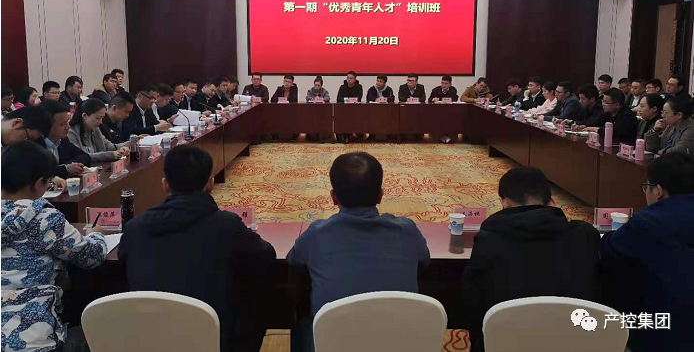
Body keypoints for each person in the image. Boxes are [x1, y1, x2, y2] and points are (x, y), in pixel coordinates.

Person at [119, 145, 276, 352]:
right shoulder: (226, 225)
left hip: (150, 340)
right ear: (210, 184)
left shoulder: (134, 228)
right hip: (211, 340)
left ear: (165, 185)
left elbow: (122, 260)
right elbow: (266, 255)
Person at [288, 152, 430, 350]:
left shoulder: (316, 234)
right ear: (381, 195)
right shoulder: (407, 231)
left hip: (336, 344)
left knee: (299, 315)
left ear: (333, 197)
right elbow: (425, 262)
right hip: (398, 343)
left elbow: (292, 261)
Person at [461, 167, 599, 352]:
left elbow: (472, 301)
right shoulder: (585, 236)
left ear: (505, 203)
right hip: (572, 343)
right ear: (551, 202)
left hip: (506, 343)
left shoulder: (489, 239)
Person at [1, 142, 107, 352]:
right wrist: (97, 235)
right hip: (32, 338)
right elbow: (91, 257)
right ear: (39, 183)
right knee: (104, 333)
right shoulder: (43, 218)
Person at [600, 152, 694, 352]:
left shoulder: (649, 222)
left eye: (646, 187)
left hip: (666, 333)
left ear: (658, 191)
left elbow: (609, 248)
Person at [36, 100, 91, 179]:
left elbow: (85, 156)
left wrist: (69, 166)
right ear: (47, 125)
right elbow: (40, 173)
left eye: (67, 122)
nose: (68, 127)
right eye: (62, 124)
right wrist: (65, 169)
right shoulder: (35, 145)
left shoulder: (63, 140)